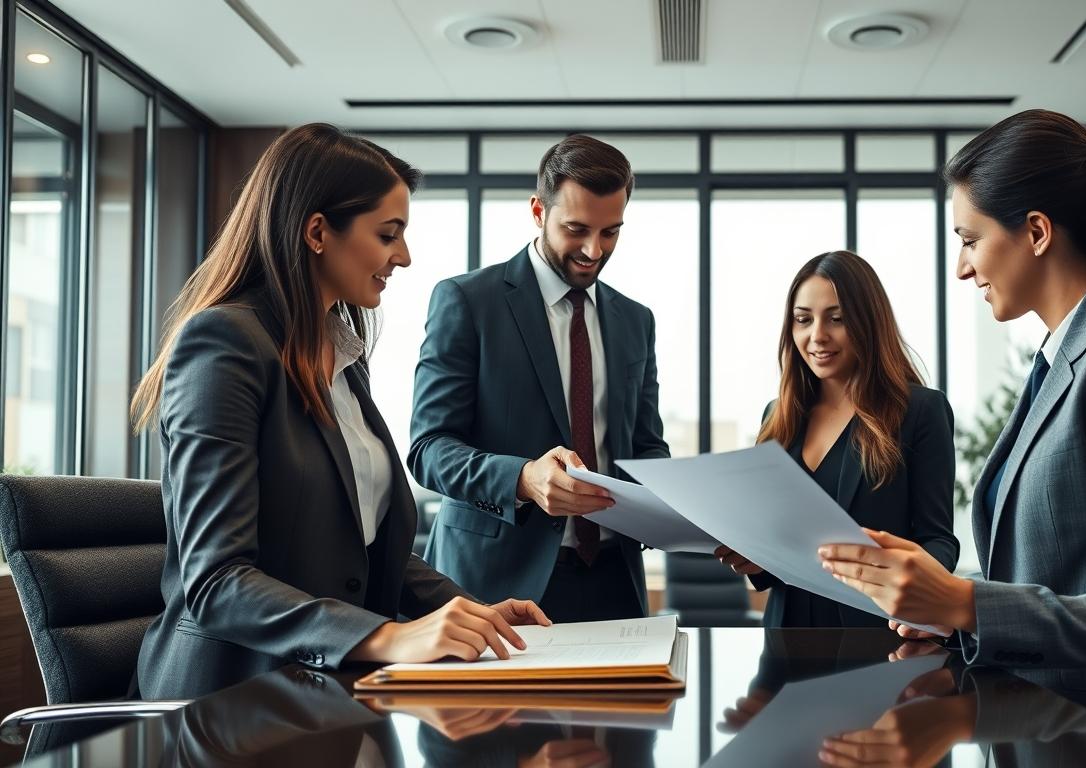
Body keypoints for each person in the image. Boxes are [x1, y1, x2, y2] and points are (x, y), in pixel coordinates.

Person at [819, 109, 1086, 708]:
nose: (962, 267)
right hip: (1037, 717)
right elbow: (1051, 575)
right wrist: (947, 602)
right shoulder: (1065, 355)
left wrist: (963, 603)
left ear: (1036, 232)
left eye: (970, 239)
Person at [131, 124, 548, 700]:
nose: (403, 256)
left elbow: (369, 549)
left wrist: (470, 612)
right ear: (318, 231)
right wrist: (388, 637)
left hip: (324, 692)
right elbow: (216, 582)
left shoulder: (342, 353)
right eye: (387, 234)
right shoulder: (224, 344)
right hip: (228, 702)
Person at [410, 135, 669, 623]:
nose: (594, 250)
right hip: (494, 583)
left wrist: (666, 503)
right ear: (537, 211)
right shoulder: (467, 301)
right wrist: (523, 479)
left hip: (615, 582)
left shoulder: (636, 320)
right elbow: (429, 449)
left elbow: (645, 444)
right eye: (577, 229)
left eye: (611, 232)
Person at [715, 250, 958, 627]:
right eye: (802, 320)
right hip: (786, 638)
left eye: (837, 319)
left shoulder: (919, 411)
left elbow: (938, 540)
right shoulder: (778, 416)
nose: (817, 336)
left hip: (877, 635)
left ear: (867, 322)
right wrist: (753, 555)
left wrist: (916, 595)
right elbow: (772, 555)